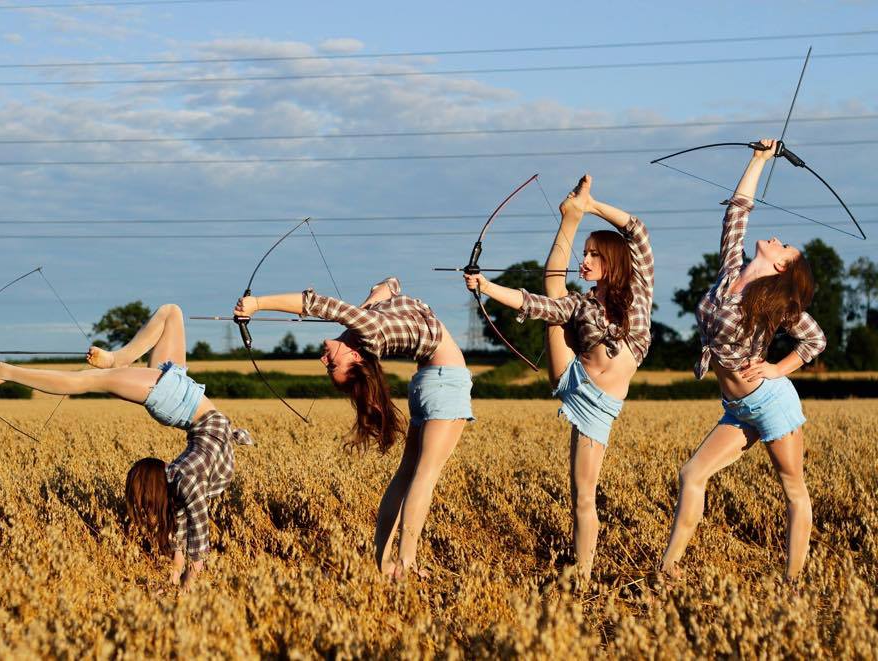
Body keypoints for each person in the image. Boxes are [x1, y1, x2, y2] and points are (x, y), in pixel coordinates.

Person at [0, 303, 253, 590]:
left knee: (90, 378)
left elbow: (183, 529)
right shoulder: (185, 481)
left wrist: (176, 577)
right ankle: (101, 361)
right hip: (180, 398)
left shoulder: (182, 481)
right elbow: (197, 532)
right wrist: (188, 580)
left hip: (180, 399)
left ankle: (6, 370)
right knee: (169, 314)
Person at [464, 174, 654, 585]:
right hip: (574, 380)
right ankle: (582, 574)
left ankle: (569, 215)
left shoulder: (639, 291)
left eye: (592, 255)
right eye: (583, 253)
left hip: (600, 406)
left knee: (582, 494)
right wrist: (485, 286)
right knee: (551, 300)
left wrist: (590, 205)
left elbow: (636, 230)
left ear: (612, 261)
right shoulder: (581, 304)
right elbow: (529, 301)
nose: (583, 262)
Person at [659, 139, 825, 583]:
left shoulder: (774, 306)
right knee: (692, 473)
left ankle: (792, 583)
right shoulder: (729, 272)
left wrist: (776, 368)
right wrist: (758, 159)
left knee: (793, 490)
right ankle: (668, 569)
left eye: (783, 245)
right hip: (737, 408)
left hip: (771, 403)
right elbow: (736, 212)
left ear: (782, 268)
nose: (774, 238)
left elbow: (815, 340)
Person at [234, 277, 473, 578]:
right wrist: (257, 304)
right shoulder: (370, 330)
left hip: (427, 382)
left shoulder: (366, 325)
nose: (323, 359)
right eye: (331, 366)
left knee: (406, 474)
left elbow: (384, 291)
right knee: (424, 476)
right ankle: (405, 564)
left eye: (327, 365)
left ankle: (383, 561)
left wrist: (386, 286)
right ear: (356, 358)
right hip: (446, 382)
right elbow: (319, 304)